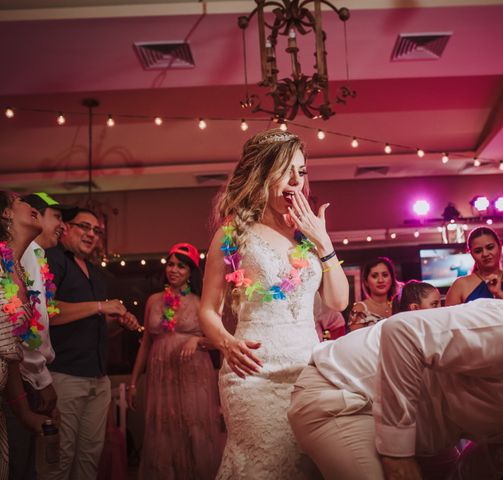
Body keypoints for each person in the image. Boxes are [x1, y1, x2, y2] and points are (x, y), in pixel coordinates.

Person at [288, 298, 503, 480]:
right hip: (344, 392)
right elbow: (402, 333)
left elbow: (480, 467)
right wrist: (398, 458)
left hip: (415, 432)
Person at [199, 129, 349, 478]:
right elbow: (208, 309)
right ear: (263, 173)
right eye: (288, 171)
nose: (298, 181)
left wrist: (323, 241)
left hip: (309, 372)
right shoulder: (232, 234)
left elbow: (338, 301)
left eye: (303, 171)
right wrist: (226, 342)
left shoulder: (308, 236)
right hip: (254, 372)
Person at [287, 280, 442, 480]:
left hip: (365, 398)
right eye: (436, 304)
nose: (442, 309)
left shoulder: (421, 332)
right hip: (330, 398)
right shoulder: (407, 330)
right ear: (414, 308)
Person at [44, 208, 140, 480]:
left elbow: (95, 328)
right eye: (84, 227)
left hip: (98, 378)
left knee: (89, 459)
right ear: (65, 227)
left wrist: (117, 325)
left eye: (96, 230)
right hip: (64, 375)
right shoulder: (52, 259)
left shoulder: (97, 274)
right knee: (59, 460)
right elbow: (48, 312)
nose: (91, 234)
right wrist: (100, 306)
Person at [127, 242, 225, 478]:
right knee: (163, 432)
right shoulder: (153, 301)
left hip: (194, 376)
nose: (174, 270)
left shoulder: (201, 303)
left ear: (191, 272)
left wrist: (197, 341)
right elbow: (146, 344)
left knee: (195, 429)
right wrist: (132, 382)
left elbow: (219, 341)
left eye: (181, 266)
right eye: (170, 264)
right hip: (161, 378)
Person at [2, 192, 76, 480]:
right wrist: (42, 381)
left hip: (19, 382)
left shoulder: (25, 260)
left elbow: (17, 343)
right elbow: (22, 337)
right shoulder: (18, 257)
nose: (63, 225)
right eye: (57, 216)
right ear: (7, 214)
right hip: (22, 381)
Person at [0, 191, 56, 478]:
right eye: (21, 200)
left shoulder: (18, 269)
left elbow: (10, 351)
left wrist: (23, 411)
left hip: (9, 389)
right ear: (6, 214)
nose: (33, 206)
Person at [445, 227, 503, 307]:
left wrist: (499, 293)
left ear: (500, 247)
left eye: (490, 247)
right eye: (478, 251)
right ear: (471, 254)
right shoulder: (460, 285)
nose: (485, 254)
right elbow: (449, 320)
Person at [348, 257, 401, 331]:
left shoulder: (400, 305)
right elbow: (355, 340)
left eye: (385, 275)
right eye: (374, 276)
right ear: (366, 281)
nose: (380, 280)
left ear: (392, 279)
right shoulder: (360, 309)